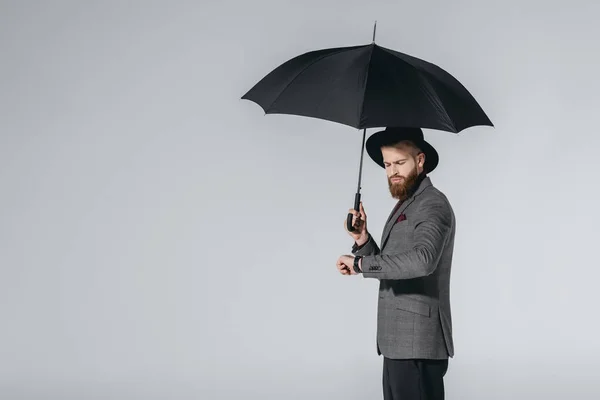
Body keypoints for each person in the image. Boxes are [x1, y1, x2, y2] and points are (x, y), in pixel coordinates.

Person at [336, 126, 456, 400]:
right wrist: (363, 239)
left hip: (418, 344)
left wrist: (360, 265)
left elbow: (423, 261)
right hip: (397, 342)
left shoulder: (432, 204)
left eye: (400, 163)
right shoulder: (408, 203)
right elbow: (396, 265)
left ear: (420, 160)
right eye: (387, 164)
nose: (392, 172)